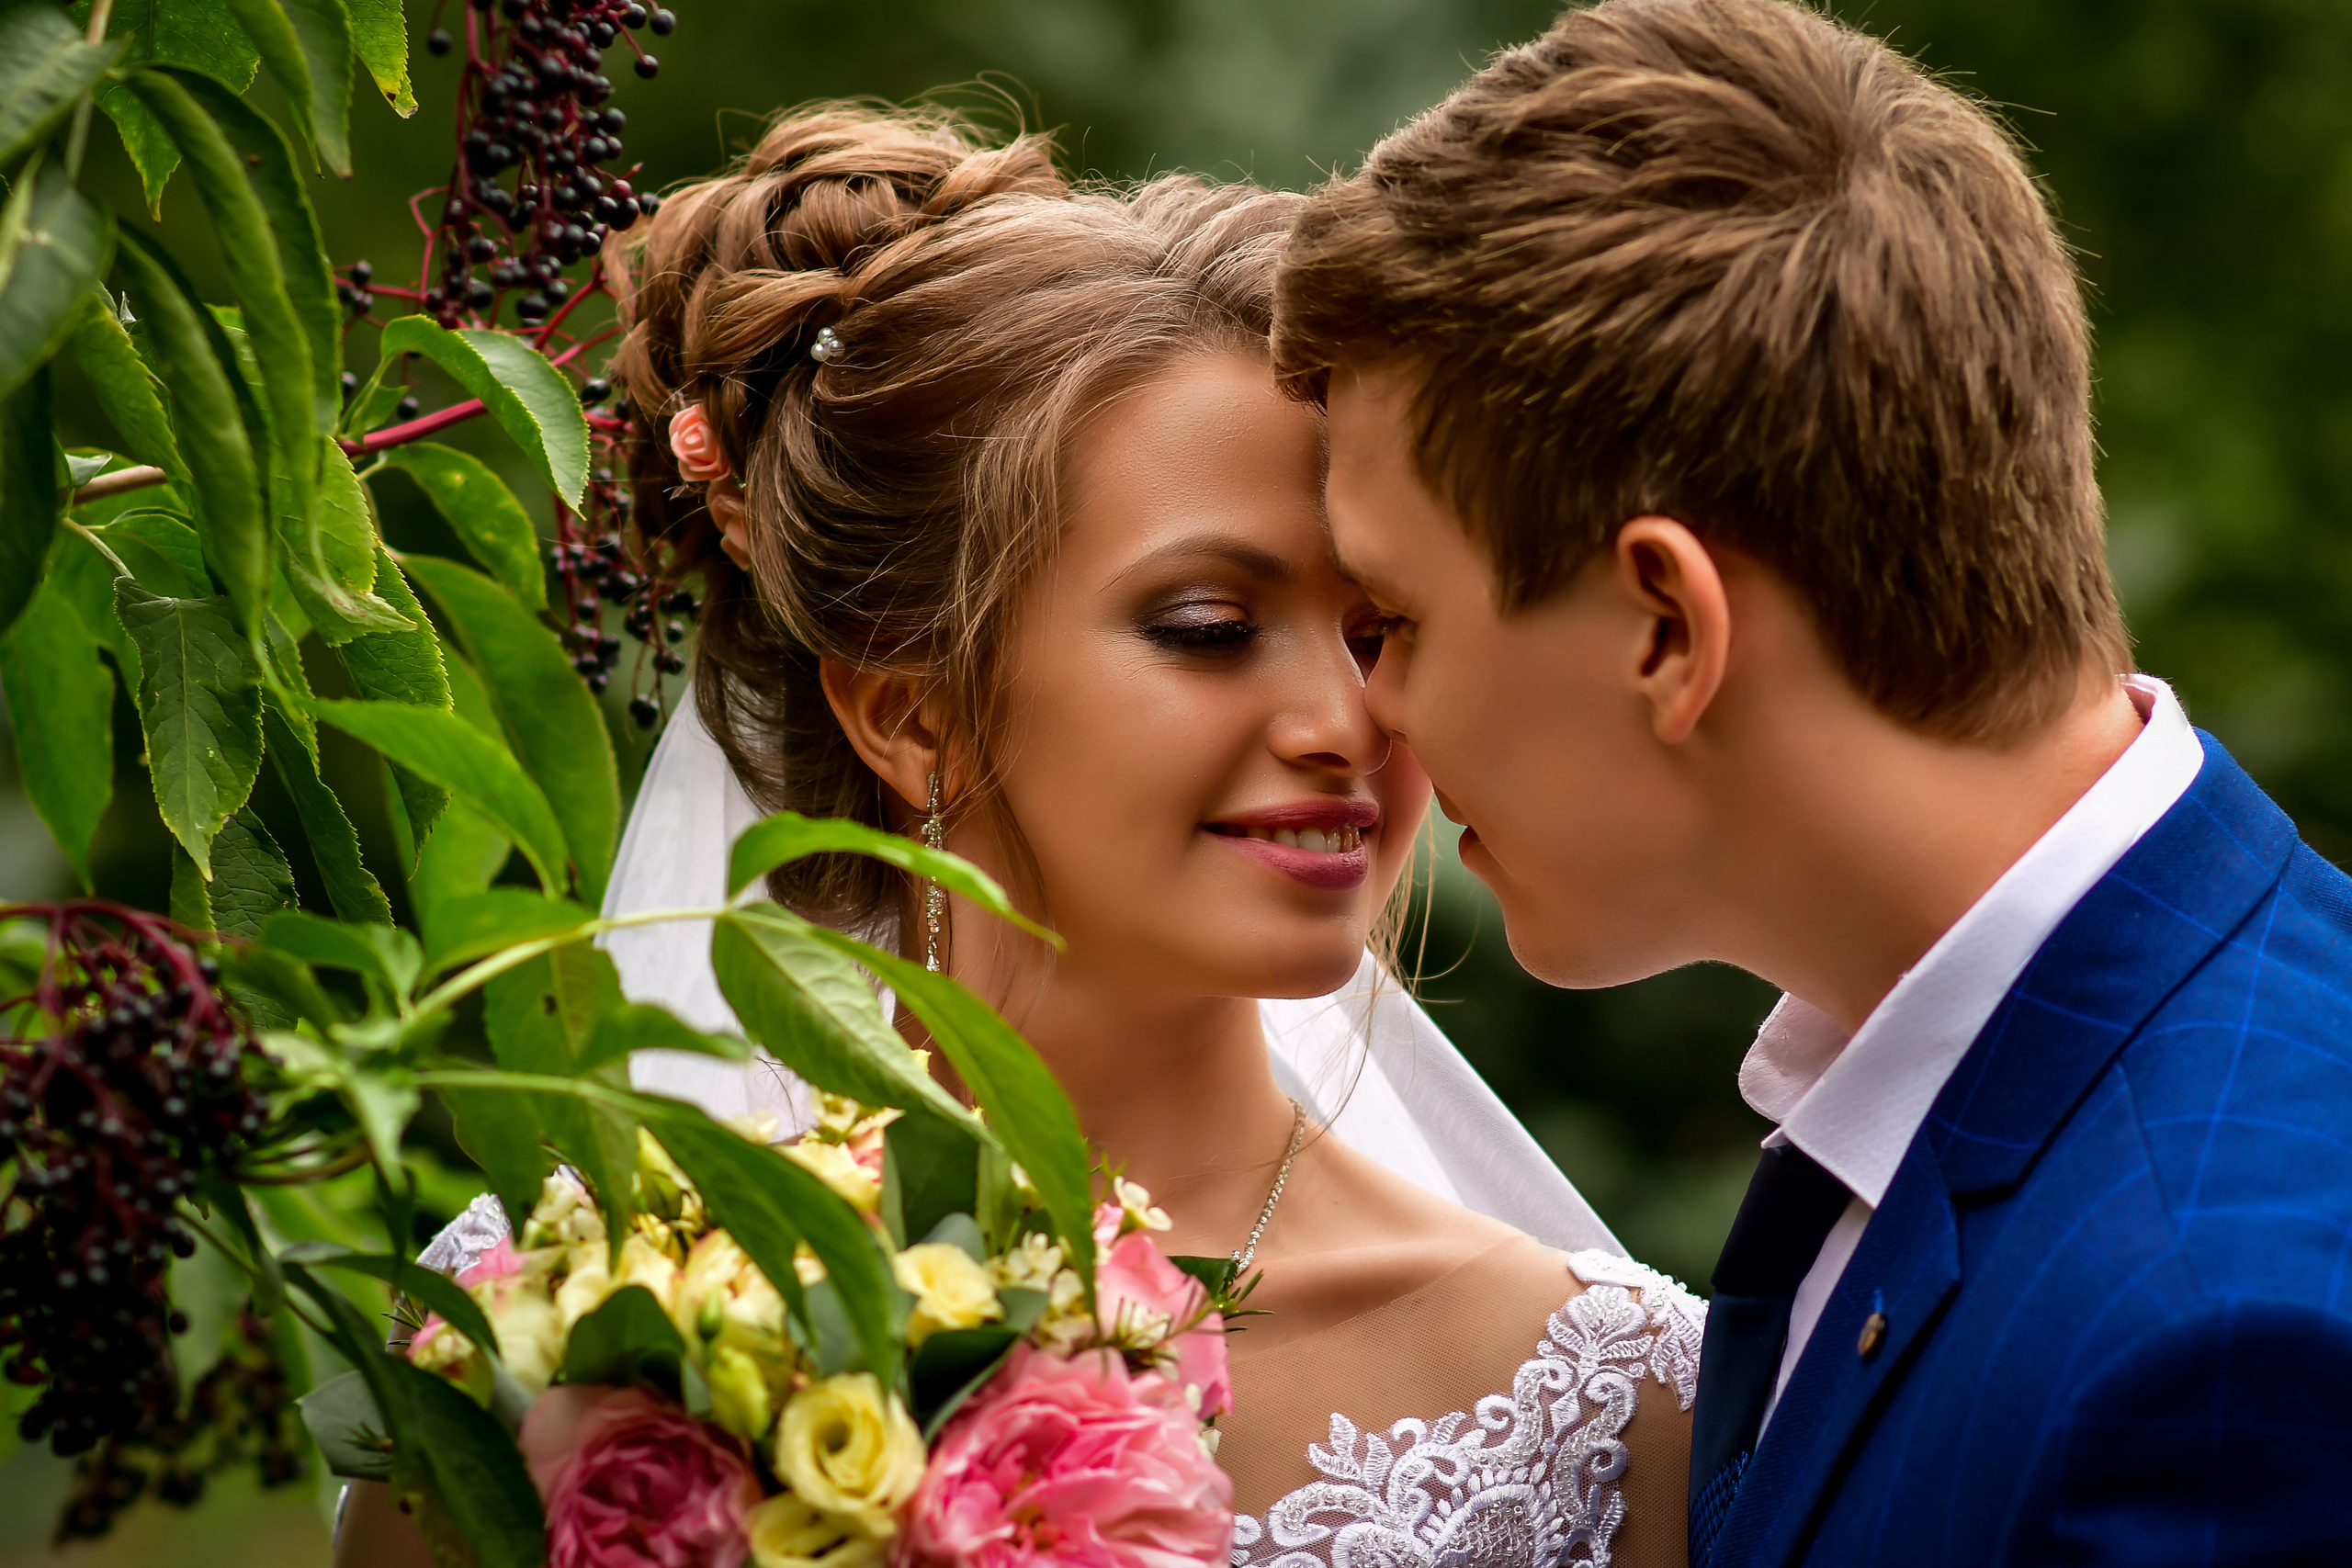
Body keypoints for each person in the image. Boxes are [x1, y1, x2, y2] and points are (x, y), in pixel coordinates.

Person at [336, 107, 1701, 1568]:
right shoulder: (573, 1332)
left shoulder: (1618, 1408)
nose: (1348, 718)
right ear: (911, 711)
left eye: (1382, 628)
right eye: (1210, 627)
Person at [1271, 0, 2352, 1564]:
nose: (1375, 713)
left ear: (1666, 627)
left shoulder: (2224, 1349)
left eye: (1396, 624)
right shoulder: (1974, 1097)